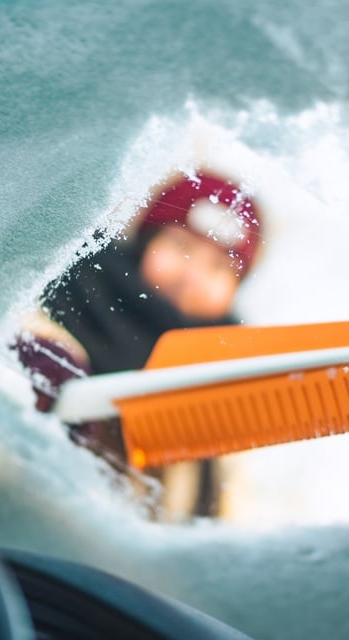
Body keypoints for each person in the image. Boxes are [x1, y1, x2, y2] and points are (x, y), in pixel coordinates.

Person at [14, 171, 262, 516]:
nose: (192, 276)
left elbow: (237, 510)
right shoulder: (69, 293)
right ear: (147, 241)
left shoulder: (230, 386)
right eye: (182, 247)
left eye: (219, 266)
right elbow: (18, 329)